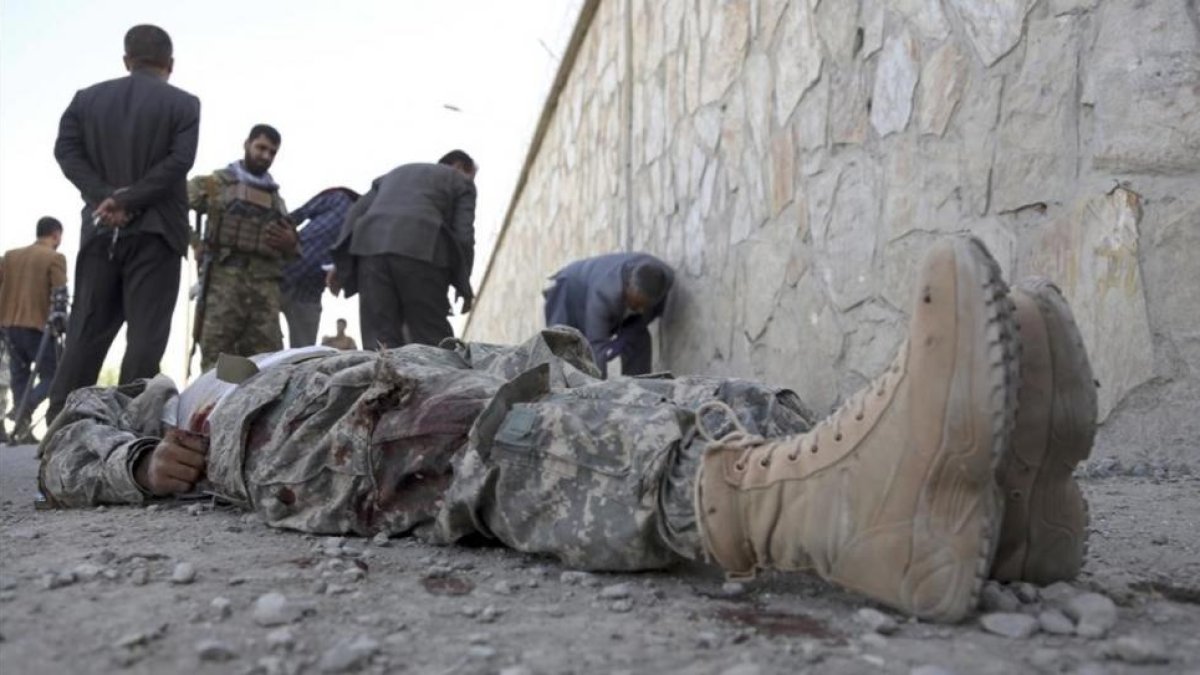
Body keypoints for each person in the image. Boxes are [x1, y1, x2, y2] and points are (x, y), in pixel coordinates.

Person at [38, 235, 1098, 622]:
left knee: (646, 395)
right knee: (471, 443)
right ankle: (816, 512)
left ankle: (992, 510)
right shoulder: (165, 392)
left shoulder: (319, 338)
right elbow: (65, 436)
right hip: (304, 424)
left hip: (414, 365)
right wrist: (141, 456)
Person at [47, 24, 201, 423]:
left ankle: (60, 429)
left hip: (100, 228)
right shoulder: (184, 105)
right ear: (170, 64)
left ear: (127, 60)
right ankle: (130, 430)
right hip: (157, 232)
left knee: (86, 330)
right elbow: (178, 162)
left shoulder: (87, 100)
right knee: (145, 339)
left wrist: (104, 197)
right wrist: (128, 199)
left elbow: (66, 151)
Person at [330, 151, 477, 349]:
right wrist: (463, 285)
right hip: (423, 249)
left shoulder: (392, 175)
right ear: (460, 167)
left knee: (380, 345)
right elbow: (464, 237)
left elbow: (356, 212)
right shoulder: (461, 181)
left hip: (370, 250)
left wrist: (340, 266)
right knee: (432, 342)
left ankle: (383, 379)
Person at [188, 125, 298, 371]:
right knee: (218, 364)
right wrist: (195, 242)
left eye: (272, 152)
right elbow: (174, 205)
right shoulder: (216, 183)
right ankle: (215, 409)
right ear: (247, 144)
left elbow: (292, 247)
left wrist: (290, 243)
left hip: (264, 293)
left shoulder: (274, 198)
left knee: (267, 365)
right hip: (223, 286)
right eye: (261, 148)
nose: (266, 156)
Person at [544, 252, 674, 377]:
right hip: (570, 294)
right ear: (627, 289)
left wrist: (627, 335)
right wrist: (598, 391)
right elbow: (596, 348)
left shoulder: (664, 280)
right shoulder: (604, 295)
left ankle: (639, 391)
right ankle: (567, 396)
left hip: (604, 293)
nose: (640, 310)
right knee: (564, 350)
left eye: (644, 306)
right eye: (635, 304)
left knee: (637, 338)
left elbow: (642, 316)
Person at [0, 217, 69, 442]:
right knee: (55, 374)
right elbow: (60, 294)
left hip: (9, 325)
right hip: (38, 327)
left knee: (20, 377)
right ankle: (25, 408)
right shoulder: (55, 258)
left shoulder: (10, 256)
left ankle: (23, 428)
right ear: (56, 235)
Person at [280, 188, 359, 348]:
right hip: (280, 275)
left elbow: (354, 273)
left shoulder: (371, 229)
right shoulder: (339, 198)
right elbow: (297, 216)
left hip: (309, 295)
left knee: (301, 355)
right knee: (258, 342)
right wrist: (284, 235)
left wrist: (341, 277)